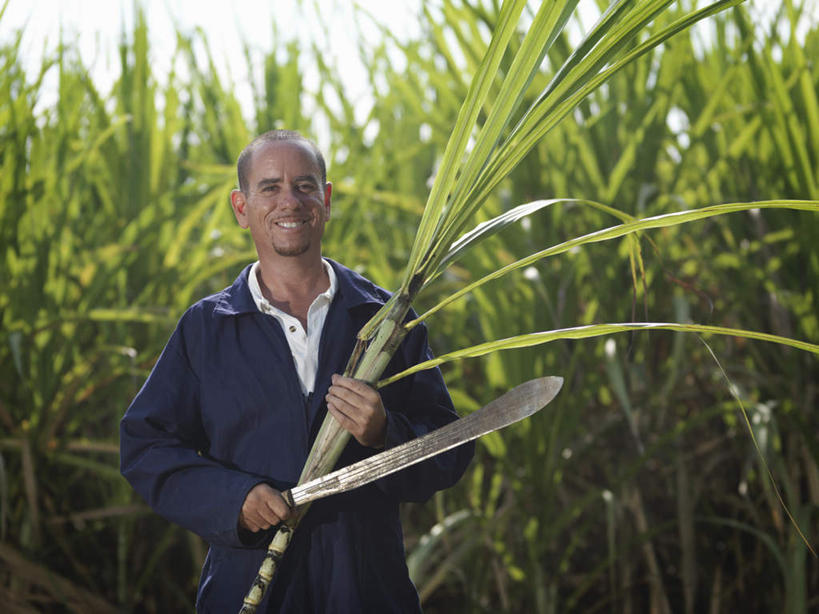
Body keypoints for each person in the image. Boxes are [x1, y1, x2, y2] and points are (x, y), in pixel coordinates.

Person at [119, 130, 474, 613]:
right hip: (249, 590)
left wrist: (385, 433)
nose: (290, 201)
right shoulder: (208, 328)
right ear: (241, 208)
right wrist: (233, 499)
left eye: (305, 186)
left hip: (366, 592)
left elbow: (450, 448)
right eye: (270, 187)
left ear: (326, 201)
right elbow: (147, 446)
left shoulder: (386, 321)